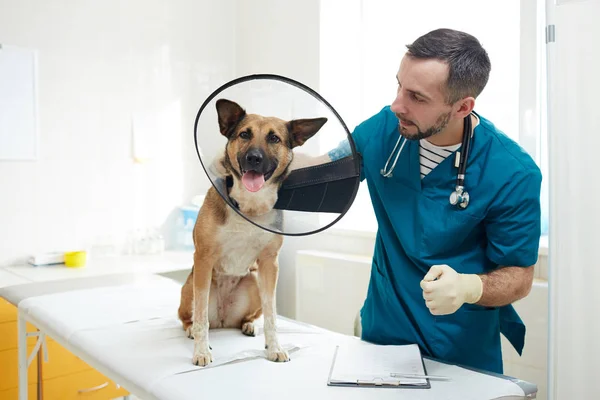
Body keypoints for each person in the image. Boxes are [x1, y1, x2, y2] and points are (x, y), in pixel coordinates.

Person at [322, 28, 542, 374]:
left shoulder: (512, 172)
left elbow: (520, 276)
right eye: (398, 86)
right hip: (383, 335)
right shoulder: (386, 127)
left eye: (417, 97)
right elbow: (322, 174)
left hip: (458, 348)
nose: (397, 104)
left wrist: (471, 287)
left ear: (463, 106)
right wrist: (251, 164)